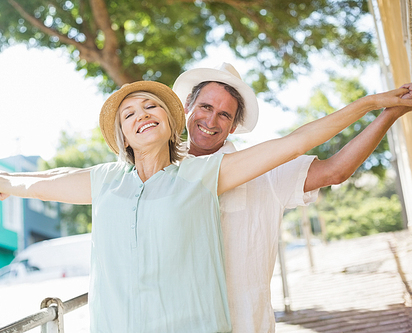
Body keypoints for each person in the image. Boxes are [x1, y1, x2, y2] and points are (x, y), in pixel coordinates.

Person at [0, 79, 412, 333]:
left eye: (151, 105)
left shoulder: (206, 175)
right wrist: (3, 183)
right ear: (122, 136)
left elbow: (297, 142)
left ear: (170, 120)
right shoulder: (105, 180)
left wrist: (374, 104)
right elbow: (49, 182)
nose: (142, 113)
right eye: (129, 112)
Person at [171, 63, 412, 332]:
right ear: (186, 107)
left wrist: (389, 114)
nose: (211, 121)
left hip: (245, 325)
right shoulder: (162, 172)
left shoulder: (262, 169)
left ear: (233, 127)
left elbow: (336, 170)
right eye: (205, 107)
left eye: (224, 114)